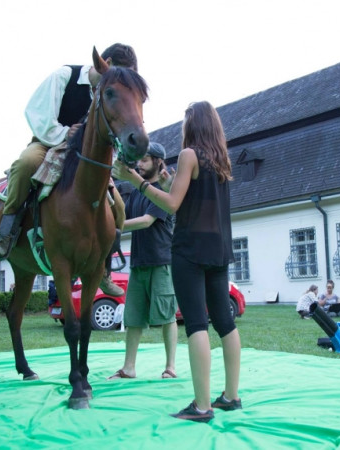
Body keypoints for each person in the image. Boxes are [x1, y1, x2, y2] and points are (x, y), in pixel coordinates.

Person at [112, 101, 241, 423]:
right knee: (225, 324)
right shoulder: (221, 161)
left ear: (191, 125)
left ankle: (201, 406)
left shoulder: (189, 155)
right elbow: (188, 198)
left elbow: (170, 206)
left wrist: (137, 180)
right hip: (219, 248)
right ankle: (231, 396)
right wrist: (169, 184)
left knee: (197, 324)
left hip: (189, 250)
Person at [0, 43, 138, 297]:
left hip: (82, 158)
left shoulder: (110, 93)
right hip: (48, 144)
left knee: (119, 207)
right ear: (105, 63)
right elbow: (38, 115)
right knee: (25, 165)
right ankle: (6, 231)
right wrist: (67, 134)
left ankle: (103, 269)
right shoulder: (64, 77)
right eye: (120, 74)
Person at [107, 143, 179, 381]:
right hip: (138, 262)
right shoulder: (137, 191)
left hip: (162, 261)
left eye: (145, 160)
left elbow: (147, 221)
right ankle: (128, 368)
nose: (139, 164)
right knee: (134, 317)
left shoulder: (164, 190)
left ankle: (170, 367)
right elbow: (124, 216)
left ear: (159, 162)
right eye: (139, 160)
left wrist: (114, 226)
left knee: (167, 316)